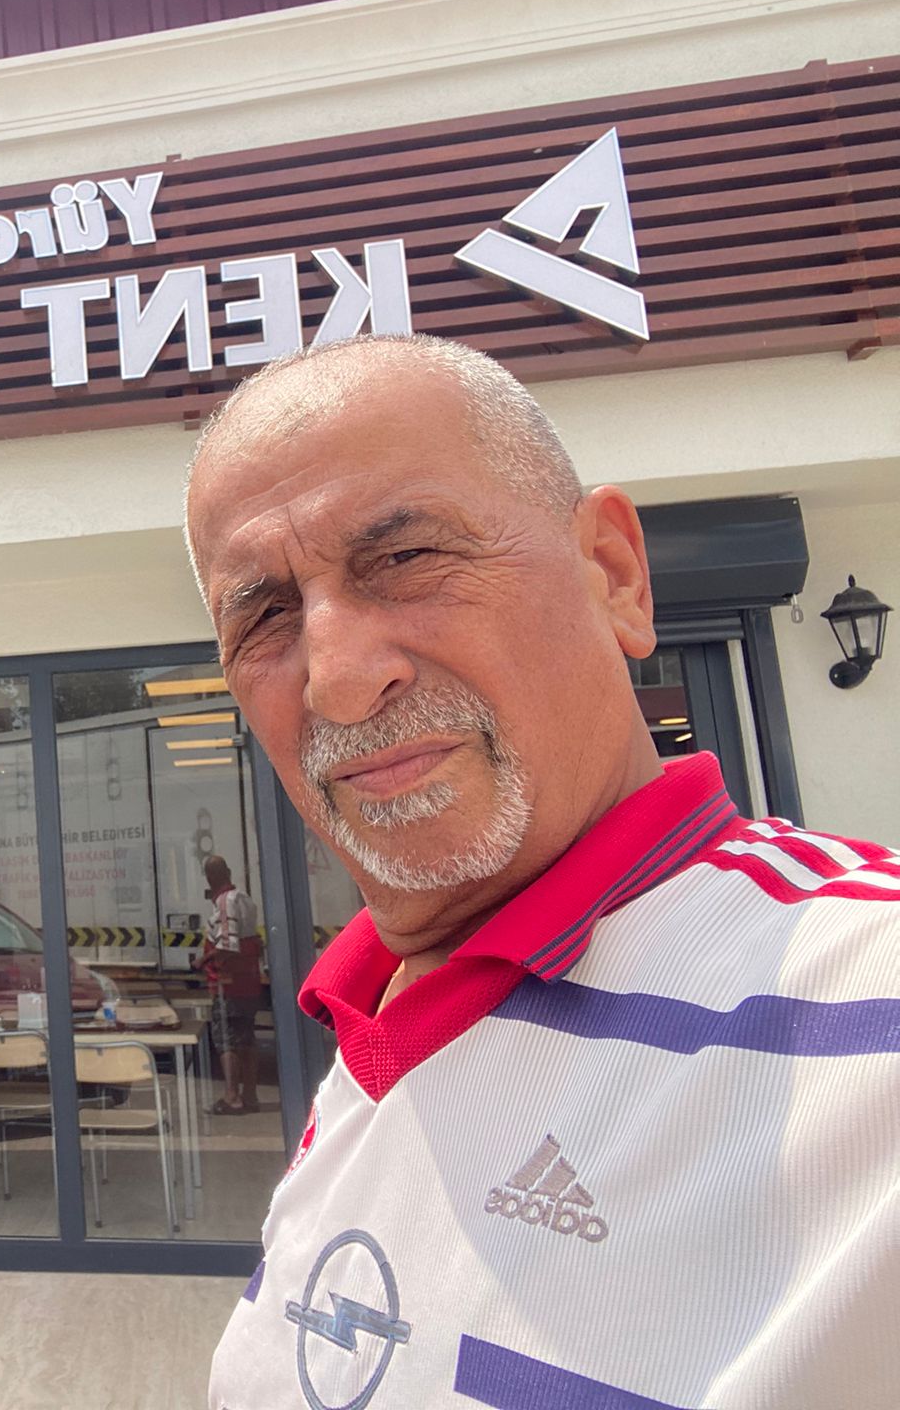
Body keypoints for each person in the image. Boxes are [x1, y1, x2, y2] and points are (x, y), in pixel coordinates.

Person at [183, 333, 900, 1406]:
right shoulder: (372, 1029)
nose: (337, 679)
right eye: (266, 616)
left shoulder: (865, 1016)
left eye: (405, 557)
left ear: (612, 575)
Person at [197, 854, 262, 1115]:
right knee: (246, 1038)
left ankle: (232, 1096)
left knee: (226, 1040)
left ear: (210, 878)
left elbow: (228, 945)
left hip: (229, 984)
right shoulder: (245, 899)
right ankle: (251, 1095)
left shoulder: (226, 902)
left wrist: (203, 960)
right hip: (249, 983)